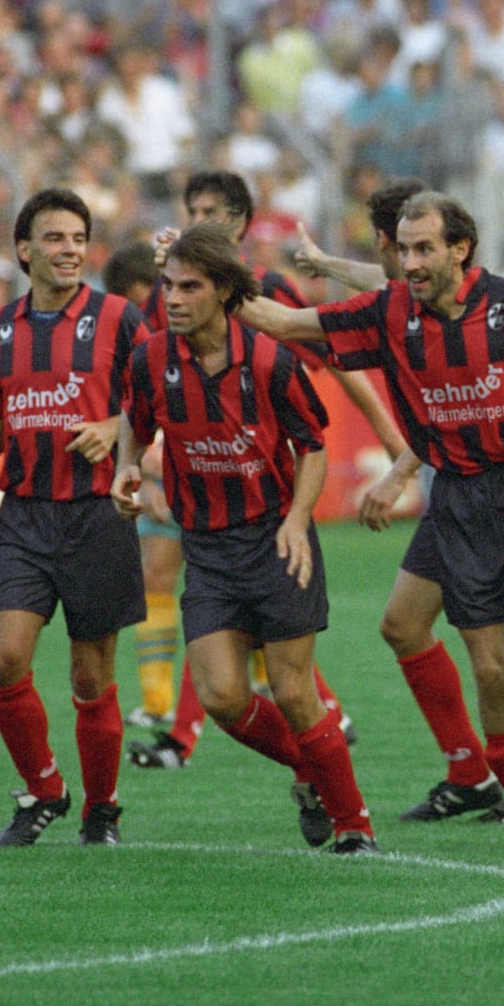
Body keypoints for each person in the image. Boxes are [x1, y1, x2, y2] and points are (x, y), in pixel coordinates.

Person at [239, 191, 504, 849]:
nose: (411, 261)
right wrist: (214, 276)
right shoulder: (390, 312)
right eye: (404, 249)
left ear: (461, 248)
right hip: (459, 500)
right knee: (489, 669)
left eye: (424, 248)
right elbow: (288, 325)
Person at [112, 225, 376, 852]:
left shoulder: (270, 360)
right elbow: (135, 422)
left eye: (189, 287)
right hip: (207, 546)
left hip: (276, 540)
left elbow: (313, 446)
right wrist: (127, 464)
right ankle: (311, 771)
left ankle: (354, 827)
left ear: (226, 292)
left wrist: (295, 520)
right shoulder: (151, 359)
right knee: (224, 697)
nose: (172, 299)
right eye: (169, 286)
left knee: (293, 692)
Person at [127, 170, 402, 772]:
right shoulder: (169, 293)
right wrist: (136, 463)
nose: (204, 220)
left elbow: (336, 355)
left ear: (244, 224)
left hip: (261, 486)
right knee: (193, 601)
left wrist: (392, 443)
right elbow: (149, 378)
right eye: (194, 209)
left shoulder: (265, 289)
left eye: (217, 213)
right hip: (192, 477)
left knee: (244, 627)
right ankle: (198, 730)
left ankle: (222, 730)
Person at [0, 188, 148, 847]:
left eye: (77, 238)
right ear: (24, 250)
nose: (69, 250)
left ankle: (103, 809)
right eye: (54, 238)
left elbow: (159, 400)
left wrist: (108, 425)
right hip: (24, 516)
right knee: (3, 657)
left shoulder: (121, 319)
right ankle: (45, 789)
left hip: (96, 514)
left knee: (89, 676)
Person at [99, 240, 181, 731]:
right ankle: (156, 703)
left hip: (210, 471)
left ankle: (263, 683)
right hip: (156, 472)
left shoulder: (188, 327)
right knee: (156, 578)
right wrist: (145, 471)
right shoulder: (132, 340)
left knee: (239, 590)